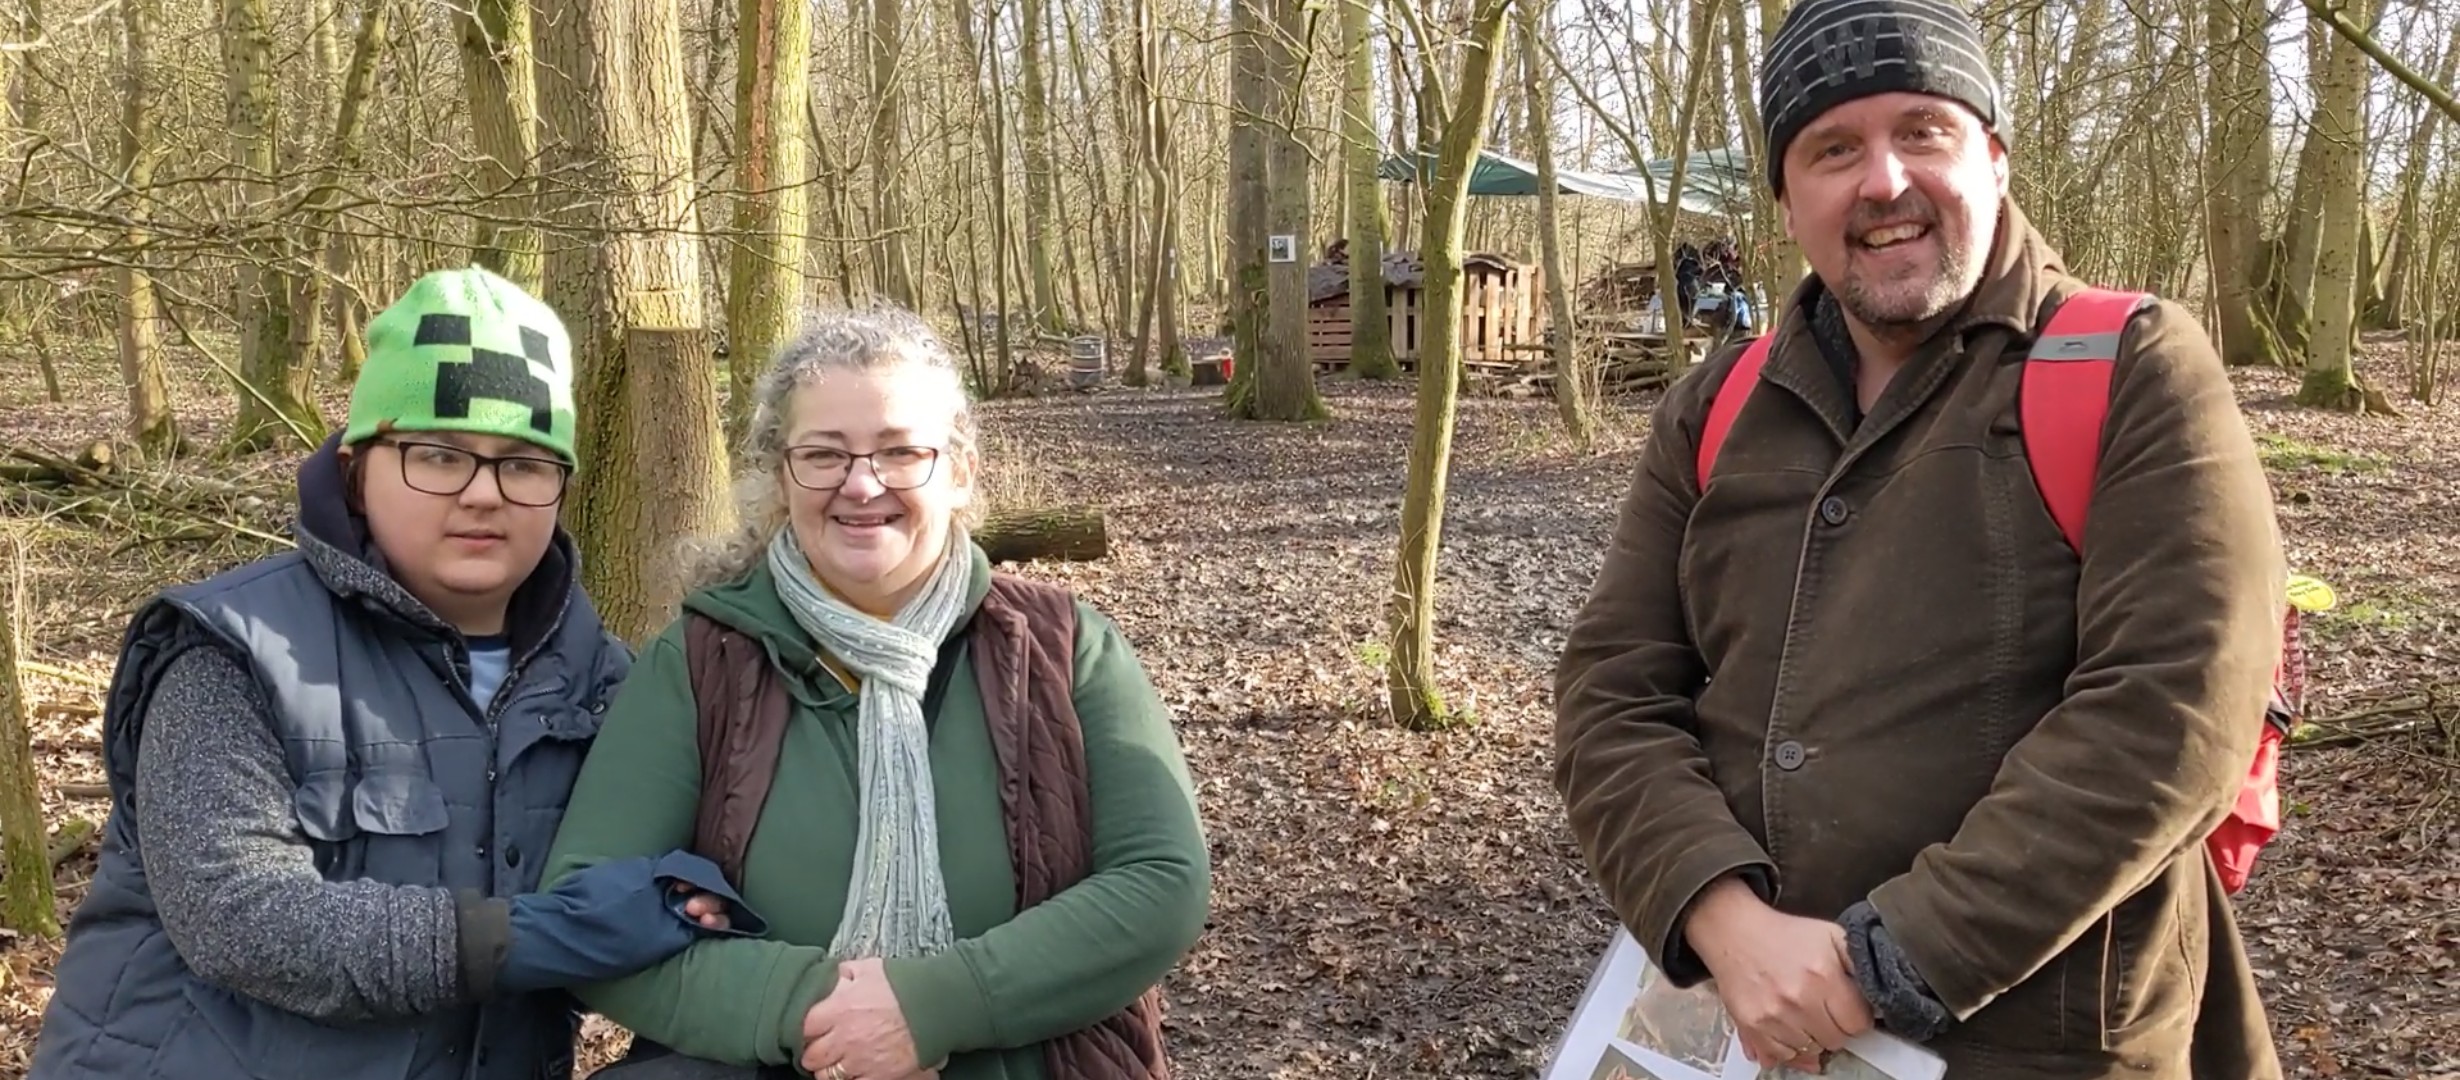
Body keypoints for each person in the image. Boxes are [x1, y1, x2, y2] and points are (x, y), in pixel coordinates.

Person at [1550, 1, 2288, 1078]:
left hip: (2042, 1047)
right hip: (1744, 1035)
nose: (1883, 182)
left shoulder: (2130, 370)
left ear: (1992, 154)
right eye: (1833, 149)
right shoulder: (1717, 408)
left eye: (1923, 132)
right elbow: (1611, 692)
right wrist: (1719, 915)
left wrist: (1888, 959)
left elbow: (2172, 709)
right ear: (1786, 200)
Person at [32, 266, 741, 1080]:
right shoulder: (232, 650)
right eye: (438, 456)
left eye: (523, 463)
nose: (483, 496)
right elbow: (243, 918)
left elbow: (667, 895)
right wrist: (529, 935)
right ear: (356, 470)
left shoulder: (604, 679)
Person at [539, 305, 1211, 1080]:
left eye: (900, 452)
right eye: (824, 454)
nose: (862, 485)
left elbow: (1160, 880)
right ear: (780, 476)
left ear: (958, 471)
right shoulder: (700, 664)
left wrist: (935, 1007)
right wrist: (819, 1015)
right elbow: (587, 910)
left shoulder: (1063, 650)